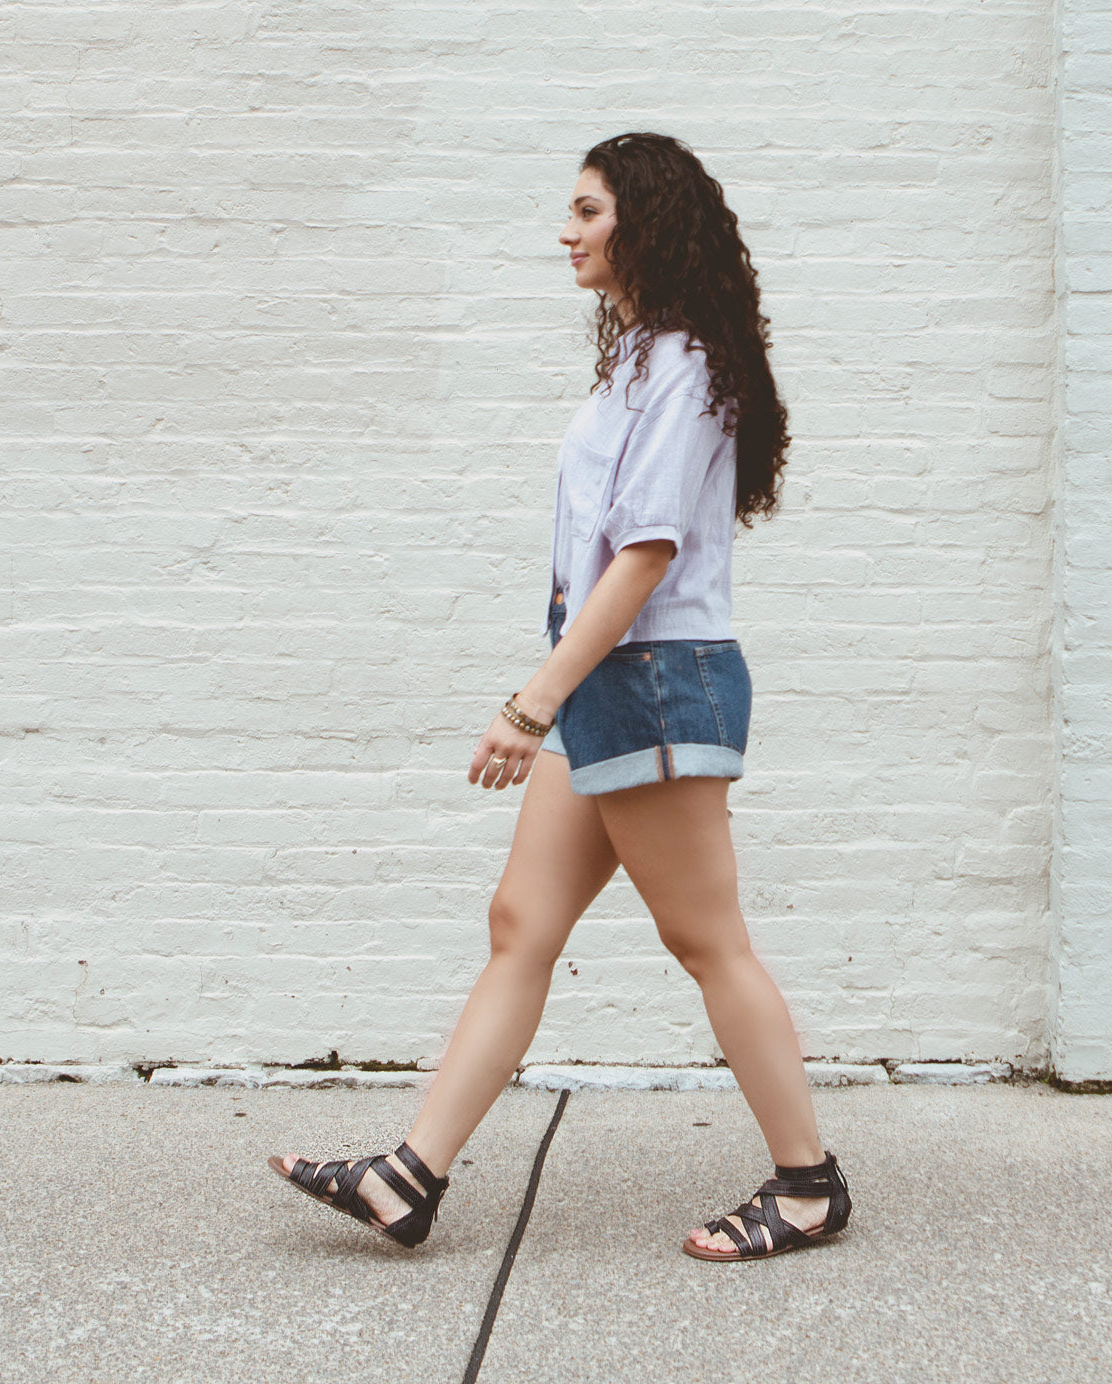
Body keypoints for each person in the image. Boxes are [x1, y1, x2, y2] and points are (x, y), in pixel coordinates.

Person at [269, 132, 852, 1262]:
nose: (566, 229)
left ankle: (809, 1183)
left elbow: (641, 557)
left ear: (643, 220)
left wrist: (532, 703)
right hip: (609, 678)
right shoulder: (640, 356)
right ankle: (409, 1176)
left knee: (706, 940)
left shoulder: (681, 364)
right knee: (522, 924)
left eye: (587, 210)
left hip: (654, 681)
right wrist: (555, 691)